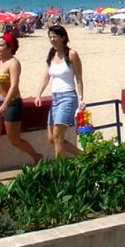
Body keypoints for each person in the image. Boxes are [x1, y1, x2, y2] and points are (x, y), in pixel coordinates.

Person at [0, 32, 42, 182]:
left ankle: (37, 157)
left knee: (14, 139)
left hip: (12, 103)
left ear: (10, 47)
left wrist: (6, 104)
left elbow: (14, 85)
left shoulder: (13, 63)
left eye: (1, 45)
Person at [34, 24, 86, 159]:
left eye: (54, 36)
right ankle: (82, 156)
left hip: (68, 97)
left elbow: (79, 78)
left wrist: (81, 99)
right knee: (52, 138)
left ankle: (61, 171)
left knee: (58, 135)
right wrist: (38, 94)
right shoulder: (51, 55)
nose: (52, 39)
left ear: (63, 37)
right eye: (50, 37)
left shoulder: (71, 54)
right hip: (55, 98)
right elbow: (46, 76)